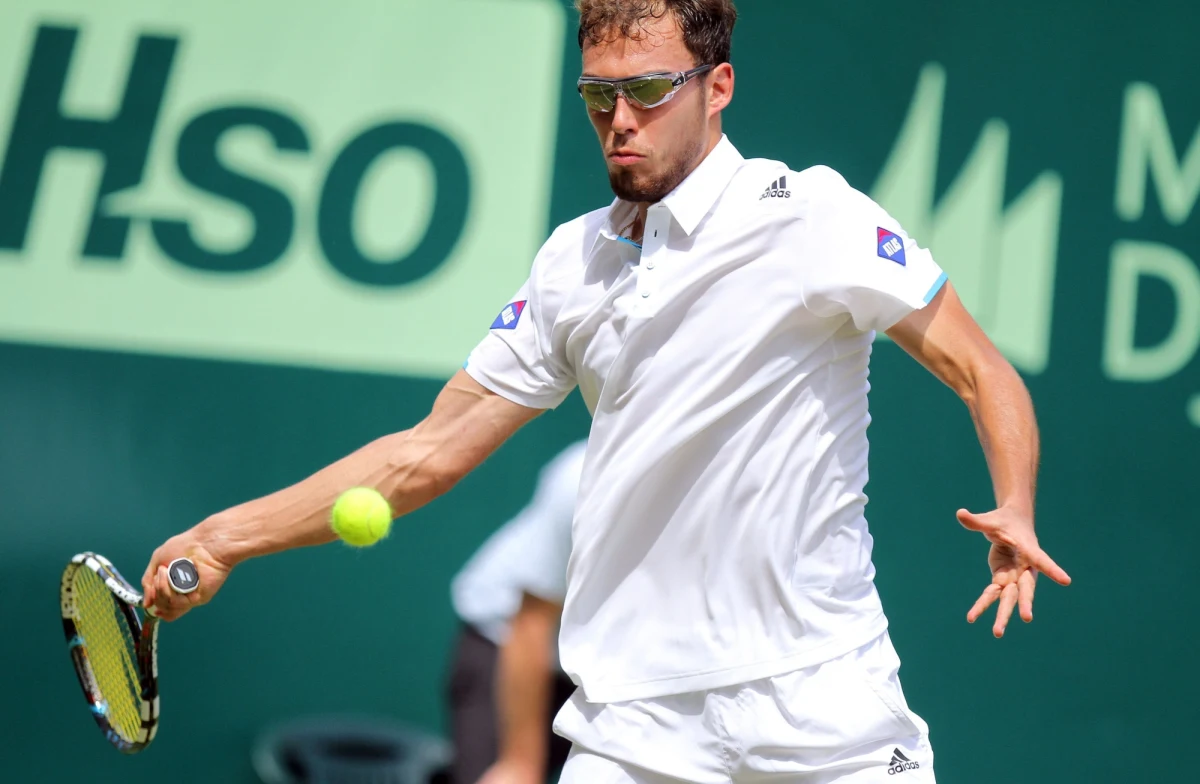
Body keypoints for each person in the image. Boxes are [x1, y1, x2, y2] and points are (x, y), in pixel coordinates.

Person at [141, 2, 1072, 781]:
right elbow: (426, 454)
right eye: (598, 94)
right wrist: (226, 539)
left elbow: (980, 368)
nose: (620, 119)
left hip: (824, 708)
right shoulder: (569, 265)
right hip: (633, 732)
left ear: (718, 88)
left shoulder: (813, 218)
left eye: (649, 91)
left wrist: (1017, 505)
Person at [446, 440, 585, 784]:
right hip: (506, 644)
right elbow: (530, 622)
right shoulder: (583, 477)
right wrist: (519, 762)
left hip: (597, 665)